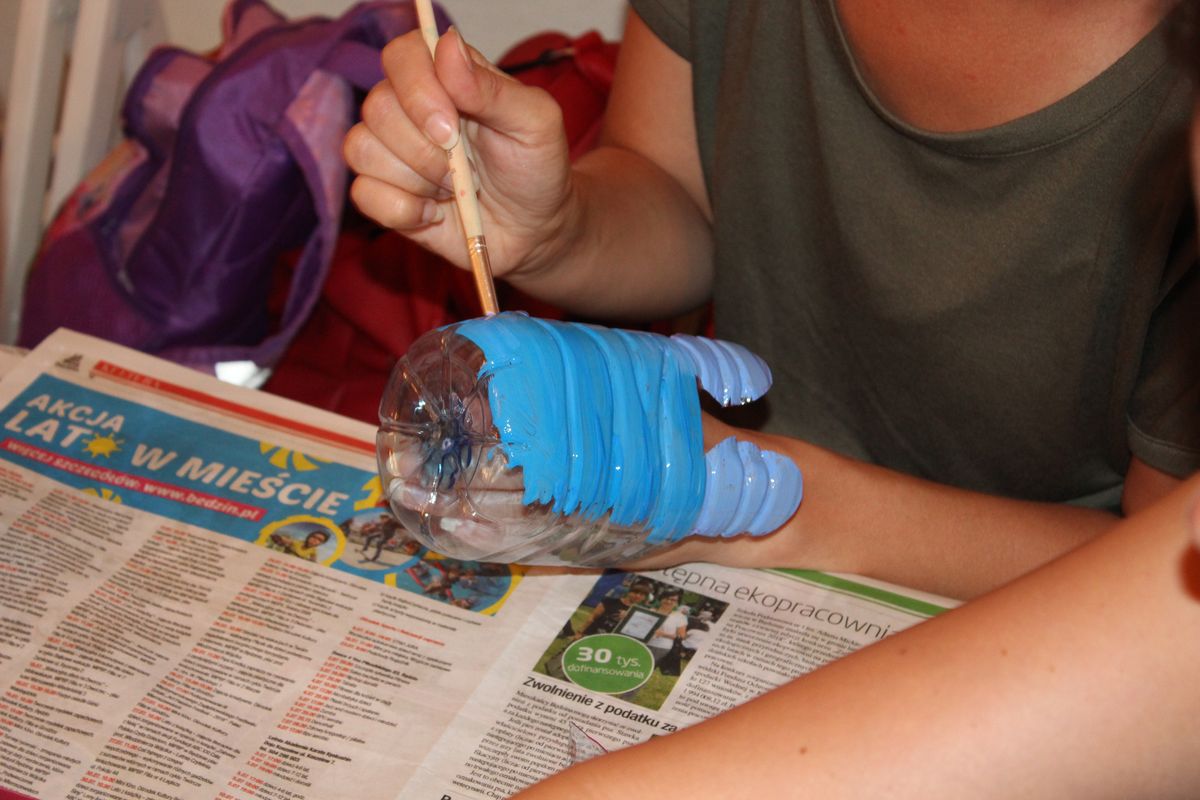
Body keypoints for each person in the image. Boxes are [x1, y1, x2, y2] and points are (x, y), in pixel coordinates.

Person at [344, 0, 1200, 601]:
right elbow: (680, 189)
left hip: (1037, 606)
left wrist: (788, 508)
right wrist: (559, 231)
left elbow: (1160, 581)